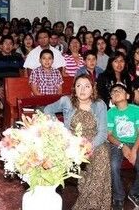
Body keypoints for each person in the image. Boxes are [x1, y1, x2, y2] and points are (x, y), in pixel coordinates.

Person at [44, 74, 111, 210]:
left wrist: (89, 146)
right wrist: (61, 130)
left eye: (87, 86)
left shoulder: (99, 104)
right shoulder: (66, 101)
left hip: (95, 142)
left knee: (102, 157)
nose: (82, 89)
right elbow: (47, 110)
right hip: (73, 143)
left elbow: (103, 133)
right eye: (79, 85)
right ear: (74, 88)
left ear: (93, 88)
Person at [107, 83, 139, 210]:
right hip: (117, 143)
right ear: (111, 100)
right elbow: (108, 136)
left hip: (135, 142)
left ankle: (134, 192)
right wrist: (122, 146)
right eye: (113, 91)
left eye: (119, 90)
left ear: (127, 95)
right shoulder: (111, 112)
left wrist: (134, 150)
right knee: (114, 165)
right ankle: (118, 196)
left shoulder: (136, 110)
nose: (116, 92)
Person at [0, 35, 24, 99]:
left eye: (10, 44)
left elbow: (22, 72)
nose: (8, 46)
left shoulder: (18, 56)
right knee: (8, 98)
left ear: (13, 46)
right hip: (2, 85)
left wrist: (21, 84)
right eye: (6, 43)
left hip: (16, 84)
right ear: (1, 46)